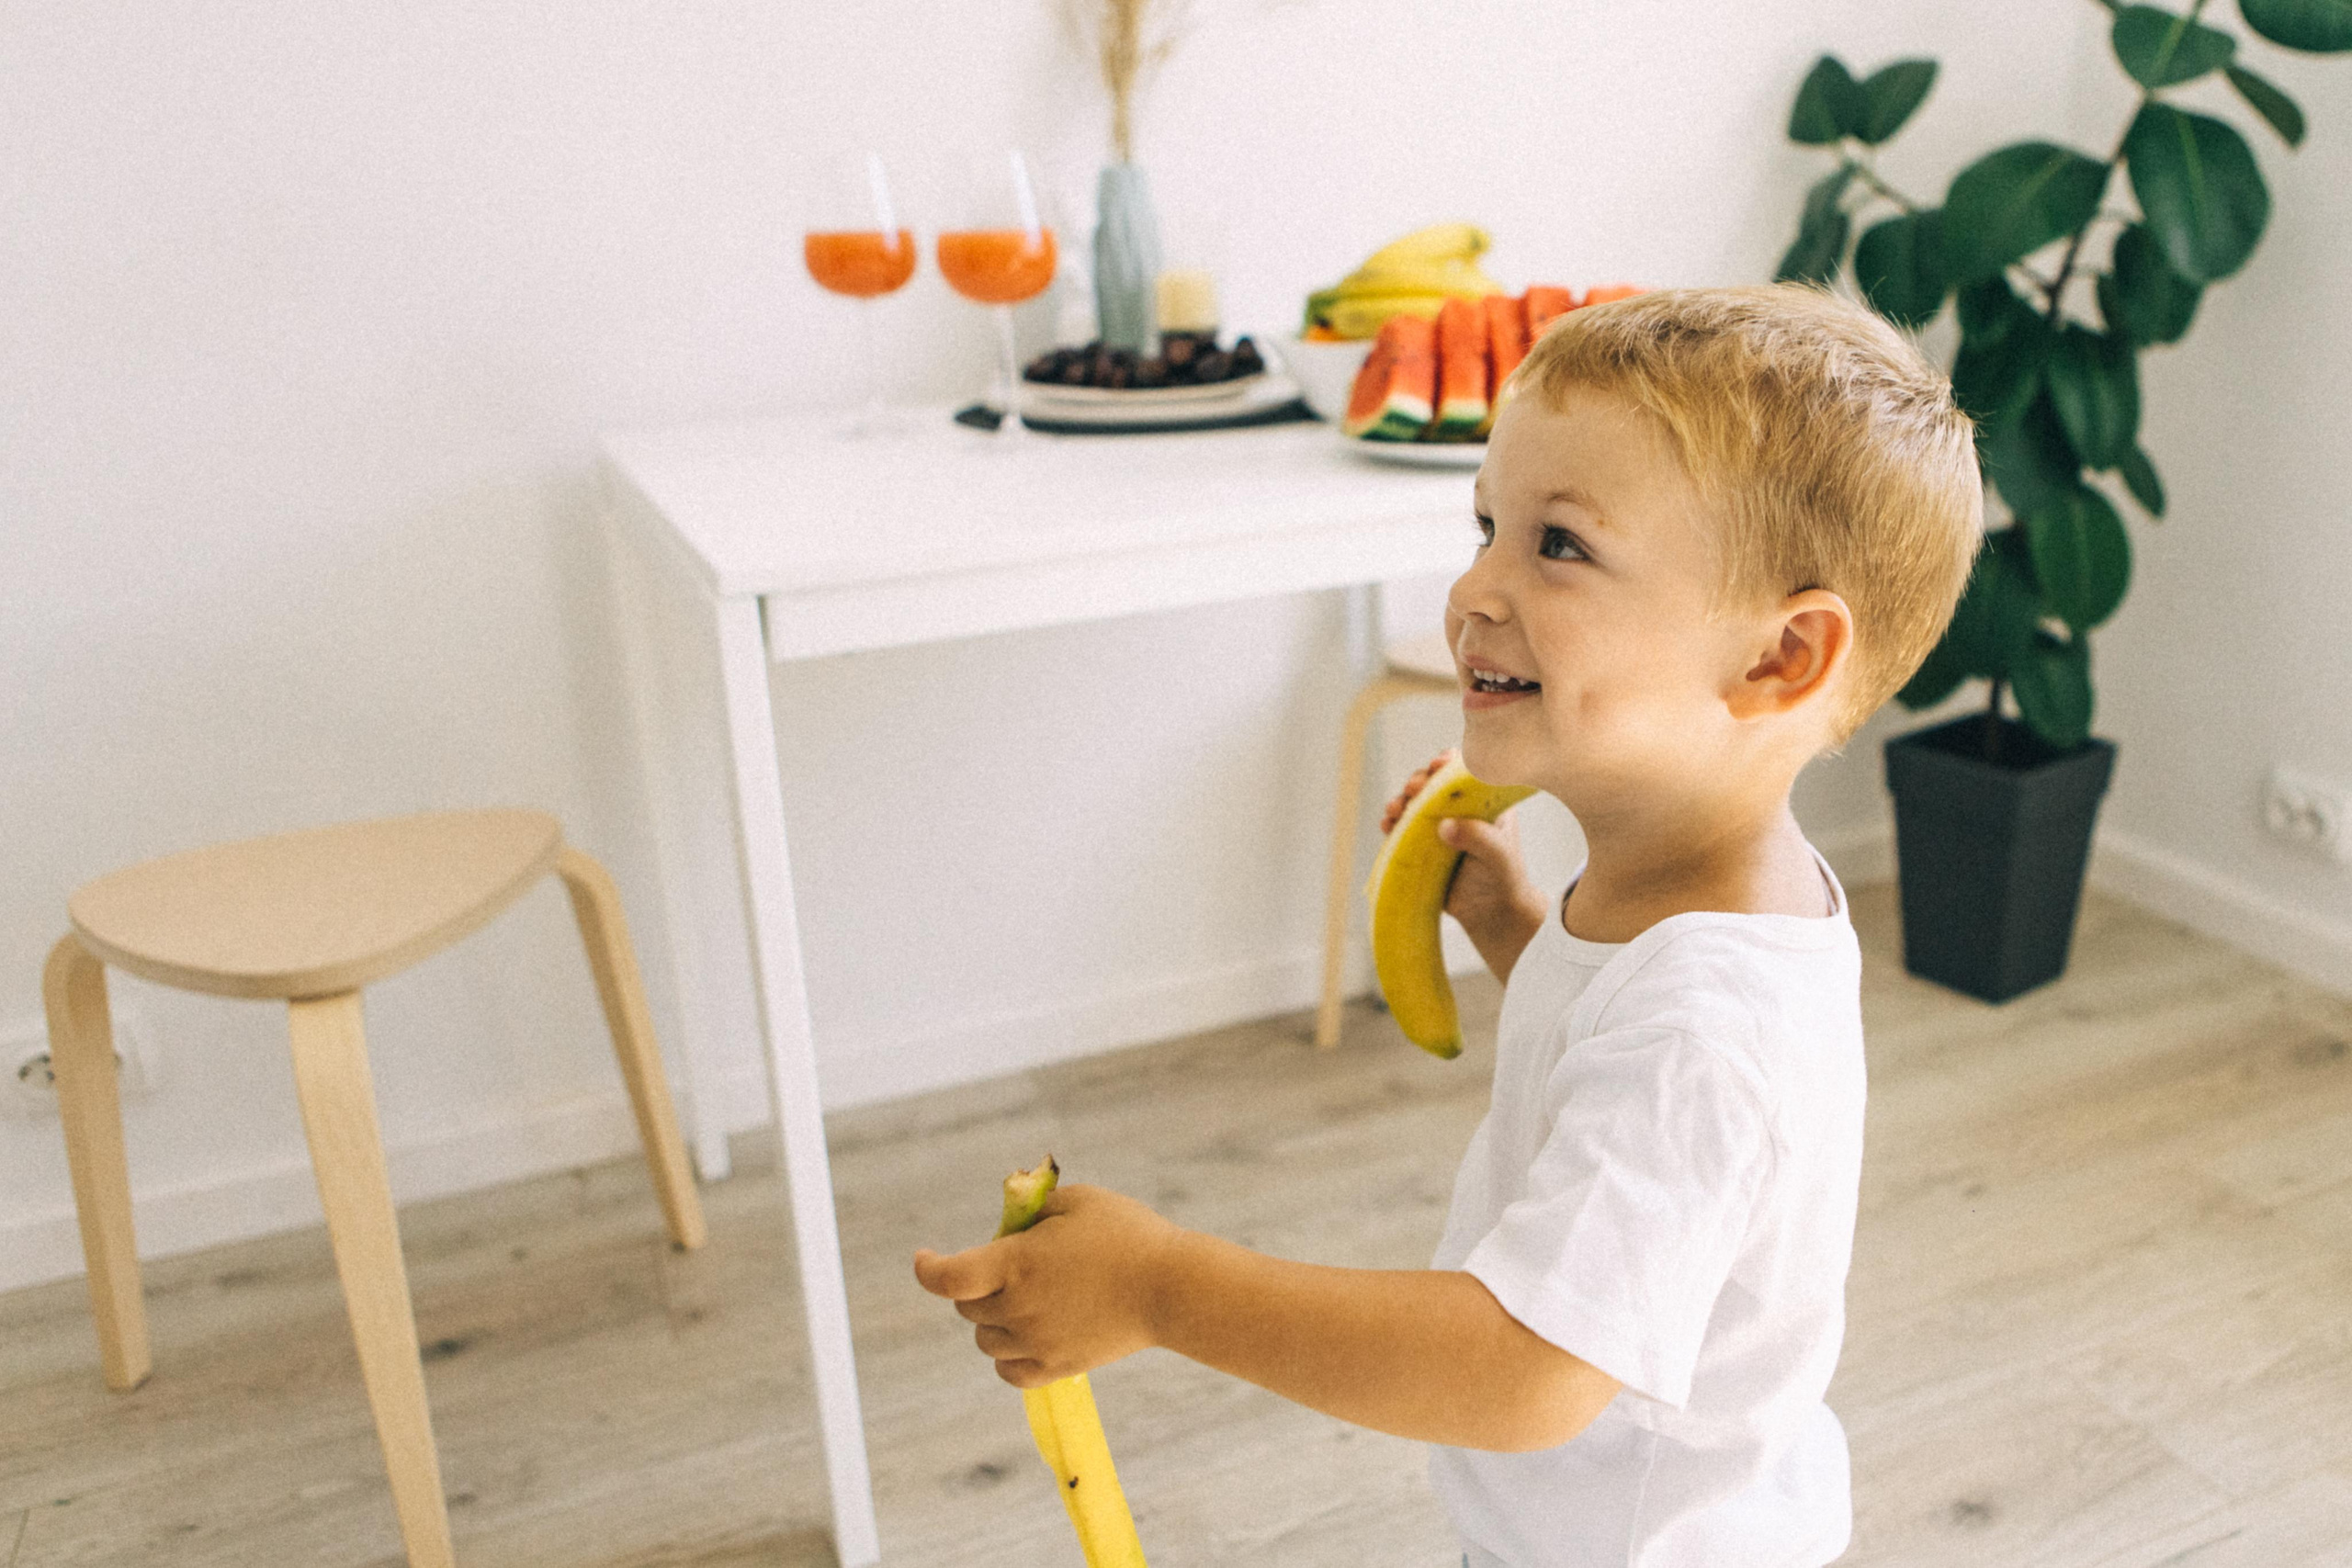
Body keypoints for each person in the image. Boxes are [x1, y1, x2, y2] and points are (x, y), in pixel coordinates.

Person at [913, 283, 1984, 1566]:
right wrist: (1527, 938)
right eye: (1488, 524)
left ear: (1778, 661)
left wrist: (1159, 1287)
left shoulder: (1711, 1029)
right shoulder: (1701, 893)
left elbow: (1527, 1369)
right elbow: (1633, 1078)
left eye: (1561, 546)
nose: (1475, 587)